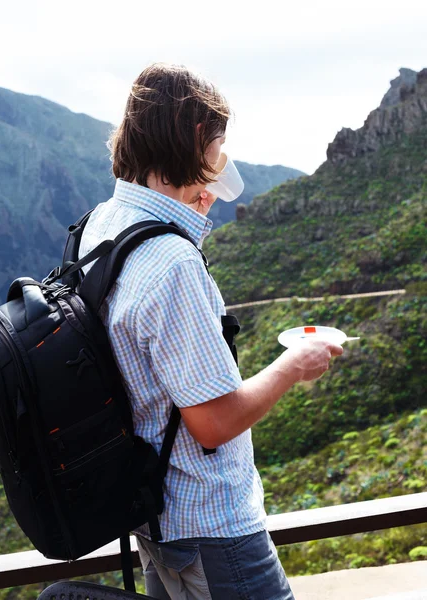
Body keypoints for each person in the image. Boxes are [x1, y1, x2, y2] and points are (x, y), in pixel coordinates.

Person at [78, 63, 343, 600]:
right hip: (211, 526)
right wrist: (295, 364)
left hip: (156, 518)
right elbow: (214, 422)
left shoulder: (98, 227)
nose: (221, 162)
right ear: (197, 140)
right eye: (219, 145)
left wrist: (184, 211)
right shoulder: (170, 261)